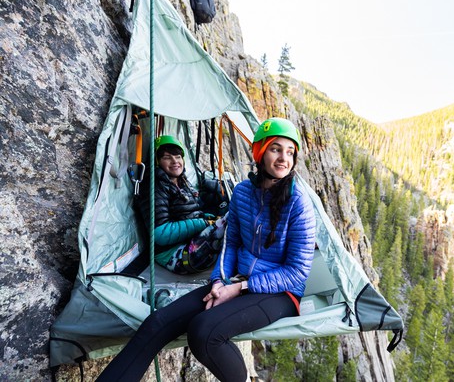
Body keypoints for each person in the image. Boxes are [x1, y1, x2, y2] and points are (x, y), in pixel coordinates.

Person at [97, 118, 316, 381]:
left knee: (204, 332)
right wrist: (218, 281)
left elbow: (297, 272)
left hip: (281, 292)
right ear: (260, 152)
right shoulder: (244, 192)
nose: (284, 158)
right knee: (157, 323)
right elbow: (231, 242)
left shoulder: (299, 202)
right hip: (235, 280)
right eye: (276, 149)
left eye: (290, 152)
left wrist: (239, 288)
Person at [137, 135, 219, 274]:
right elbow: (160, 234)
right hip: (175, 256)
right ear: (157, 162)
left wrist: (207, 217)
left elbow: (185, 214)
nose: (175, 161)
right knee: (230, 223)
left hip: (189, 242)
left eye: (178, 156)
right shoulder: (154, 186)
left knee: (233, 216)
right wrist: (203, 223)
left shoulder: (180, 181)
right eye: (167, 157)